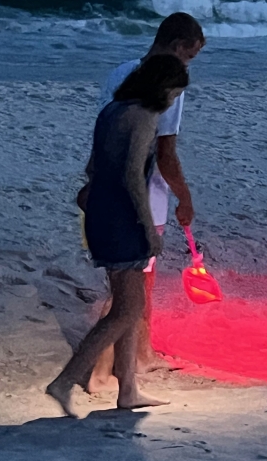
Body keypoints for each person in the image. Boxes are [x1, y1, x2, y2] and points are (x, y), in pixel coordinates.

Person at [47, 55, 189, 418]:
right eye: (174, 92)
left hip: (100, 212)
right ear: (163, 87)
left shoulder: (112, 110)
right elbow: (131, 177)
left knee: (131, 303)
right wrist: (147, 227)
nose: (174, 100)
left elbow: (92, 167)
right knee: (126, 309)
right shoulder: (144, 118)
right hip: (122, 218)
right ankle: (65, 381)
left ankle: (128, 389)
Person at [79, 12, 205, 395]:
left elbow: (101, 139)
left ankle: (140, 354)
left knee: (135, 284)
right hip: (141, 195)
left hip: (103, 187)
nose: (189, 63)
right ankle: (99, 373)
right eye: (191, 55)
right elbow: (165, 153)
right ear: (179, 45)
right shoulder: (167, 84)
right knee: (129, 288)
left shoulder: (120, 72)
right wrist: (184, 196)